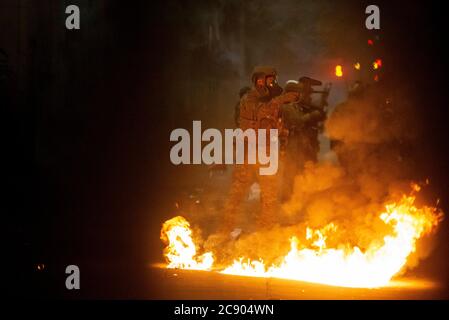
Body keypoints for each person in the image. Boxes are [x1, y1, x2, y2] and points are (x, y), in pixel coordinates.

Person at [220, 66, 299, 235]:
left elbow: (280, 123)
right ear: (260, 81)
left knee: (269, 196)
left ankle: (265, 235)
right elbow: (261, 113)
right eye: (270, 80)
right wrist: (281, 100)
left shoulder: (273, 100)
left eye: (274, 80)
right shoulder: (248, 99)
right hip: (248, 153)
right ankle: (224, 231)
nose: (273, 83)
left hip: (267, 153)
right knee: (237, 195)